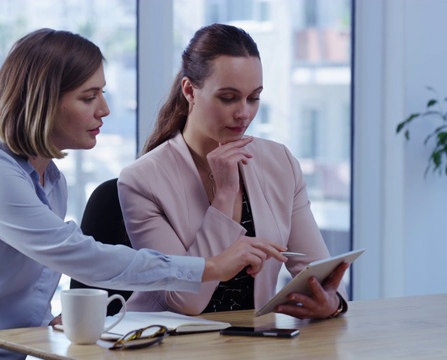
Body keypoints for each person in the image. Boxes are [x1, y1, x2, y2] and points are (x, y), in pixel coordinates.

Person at [0, 28, 287, 360]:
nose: (104, 109)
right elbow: (80, 257)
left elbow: (35, 272)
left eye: (102, 93)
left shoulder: (52, 181)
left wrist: (49, 319)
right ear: (43, 102)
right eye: (89, 96)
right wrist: (208, 267)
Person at [117, 23, 349, 318]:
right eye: (228, 98)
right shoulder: (141, 180)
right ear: (190, 90)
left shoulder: (280, 162)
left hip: (252, 339)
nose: (244, 113)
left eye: (254, 98)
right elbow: (185, 300)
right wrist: (224, 195)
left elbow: (318, 269)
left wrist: (331, 302)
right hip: (172, 343)